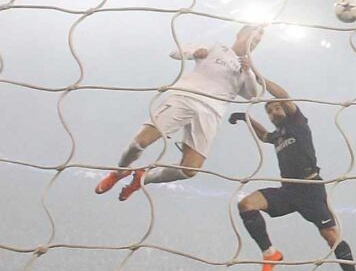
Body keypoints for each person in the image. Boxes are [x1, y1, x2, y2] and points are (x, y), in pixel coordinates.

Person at [229, 77, 356, 271]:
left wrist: (260, 78)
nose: (274, 111)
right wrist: (246, 118)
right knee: (246, 204)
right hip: (288, 191)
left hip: (311, 189)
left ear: (284, 109)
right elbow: (264, 136)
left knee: (331, 238)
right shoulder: (278, 135)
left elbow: (284, 95)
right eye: (270, 110)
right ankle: (270, 253)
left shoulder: (297, 123)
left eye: (276, 107)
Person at [95, 25, 263, 201]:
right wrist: (194, 52)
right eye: (252, 37)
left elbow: (252, 95)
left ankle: (143, 177)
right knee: (140, 142)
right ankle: (120, 171)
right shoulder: (215, 46)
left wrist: (248, 72)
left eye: (258, 42)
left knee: (190, 169)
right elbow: (175, 52)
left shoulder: (248, 67)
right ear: (240, 34)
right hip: (185, 97)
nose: (254, 43)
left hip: (211, 113)